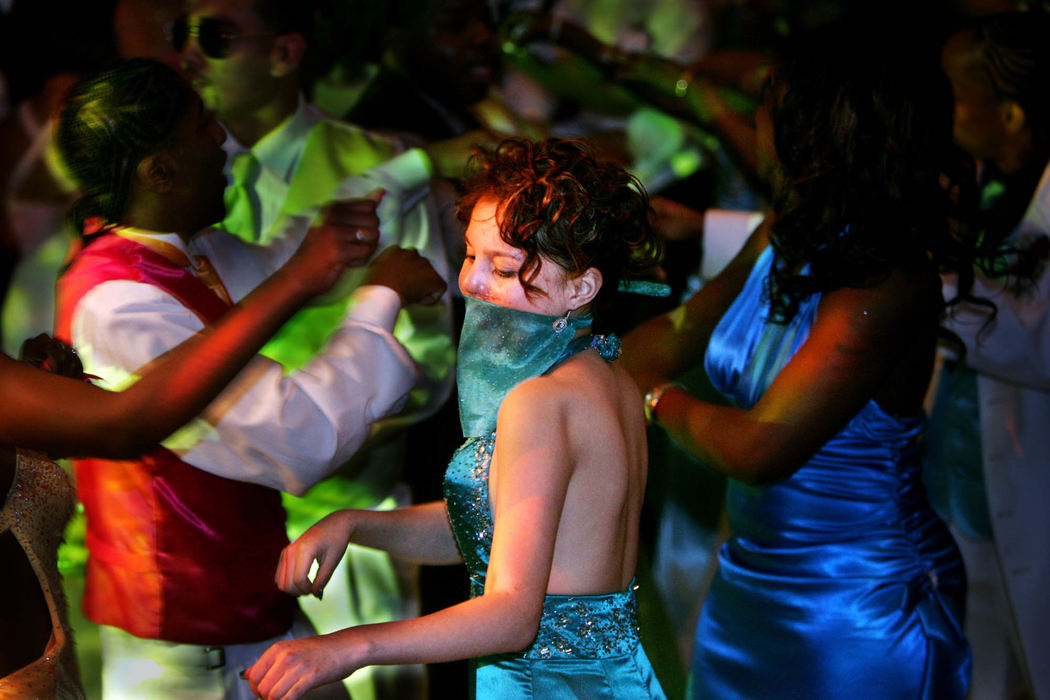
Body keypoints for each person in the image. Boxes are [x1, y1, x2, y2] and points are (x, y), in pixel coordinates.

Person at [52, 57, 445, 699]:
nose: (226, 143)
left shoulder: (183, 252)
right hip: (186, 653)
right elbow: (299, 437)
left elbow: (293, 253)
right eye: (205, 128)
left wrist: (408, 171)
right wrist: (379, 296)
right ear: (159, 169)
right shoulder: (119, 303)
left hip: (250, 617)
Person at [242, 137, 667, 699]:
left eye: (504, 267)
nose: (472, 283)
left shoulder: (539, 401)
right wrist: (356, 522)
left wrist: (348, 646)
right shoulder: (609, 374)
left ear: (581, 287)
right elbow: (496, 527)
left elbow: (513, 615)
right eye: (470, 255)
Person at [620, 29, 975, 699]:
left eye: (764, 103)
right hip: (748, 591)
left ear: (807, 130)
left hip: (856, 612)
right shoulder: (781, 234)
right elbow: (677, 329)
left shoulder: (887, 285)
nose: (753, 120)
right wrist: (595, 363)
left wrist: (652, 398)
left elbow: (761, 448)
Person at [174, 6, 459, 695]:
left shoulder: (375, 166)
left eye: (212, 37)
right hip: (198, 541)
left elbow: (429, 357)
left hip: (347, 533)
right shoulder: (172, 185)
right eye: (177, 35)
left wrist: (323, 436)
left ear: (284, 53)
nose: (186, 55)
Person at [930, 10, 1050, 699]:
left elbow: (1038, 341)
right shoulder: (974, 176)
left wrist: (925, 279)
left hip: (1030, 489)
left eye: (951, 89)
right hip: (963, 489)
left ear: (1007, 113)